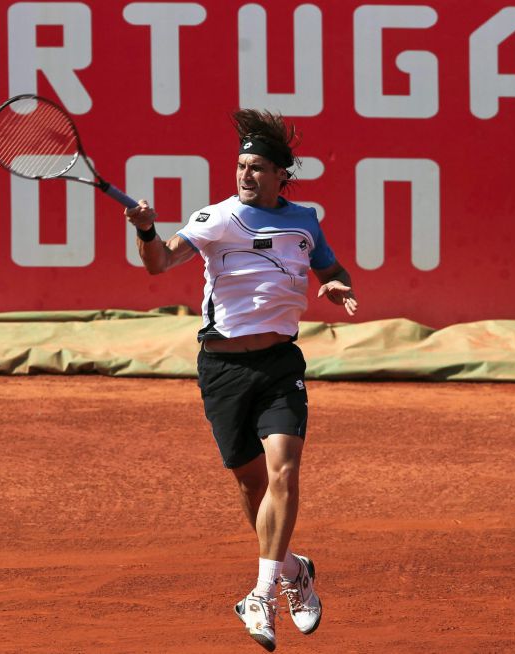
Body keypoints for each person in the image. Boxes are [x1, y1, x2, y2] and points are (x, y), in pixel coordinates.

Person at [125, 109, 357, 651]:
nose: (245, 175)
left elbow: (333, 270)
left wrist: (337, 287)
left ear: (282, 175)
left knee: (284, 475)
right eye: (240, 166)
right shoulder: (215, 220)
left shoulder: (305, 221)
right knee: (253, 486)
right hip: (224, 370)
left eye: (256, 167)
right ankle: (295, 569)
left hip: (280, 365)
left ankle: (261, 593)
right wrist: (144, 229)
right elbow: (158, 263)